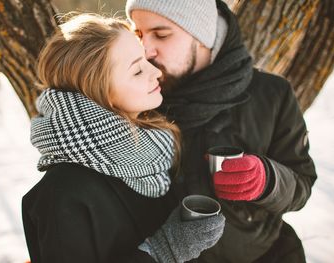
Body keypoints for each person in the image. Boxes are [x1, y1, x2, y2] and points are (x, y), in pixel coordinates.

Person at [22, 13, 225, 263]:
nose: (156, 73)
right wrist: (162, 252)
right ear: (100, 92)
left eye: (145, 60)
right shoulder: (62, 194)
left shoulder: (152, 154)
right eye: (138, 70)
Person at [125, 0, 318, 262]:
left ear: (203, 35)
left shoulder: (272, 95)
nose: (146, 50)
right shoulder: (140, 97)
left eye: (161, 34)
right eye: (139, 35)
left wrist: (267, 180)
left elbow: (302, 183)